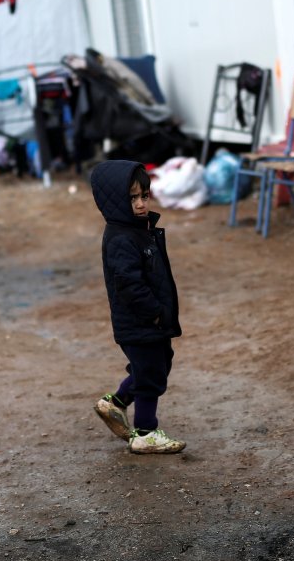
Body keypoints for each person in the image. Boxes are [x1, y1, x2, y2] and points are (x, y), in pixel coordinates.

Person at [89, 159, 185, 454]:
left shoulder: (137, 230)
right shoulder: (121, 238)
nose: (142, 204)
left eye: (144, 196)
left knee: (157, 364)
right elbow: (128, 283)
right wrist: (154, 312)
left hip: (149, 320)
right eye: (133, 198)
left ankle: (115, 403)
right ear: (116, 200)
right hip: (140, 322)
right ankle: (145, 431)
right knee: (150, 372)